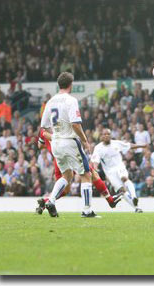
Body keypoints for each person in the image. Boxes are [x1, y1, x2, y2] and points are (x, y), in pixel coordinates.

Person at [40, 72, 96, 218]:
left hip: (56, 142)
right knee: (86, 174)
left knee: (67, 175)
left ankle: (51, 200)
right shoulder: (71, 100)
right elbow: (75, 124)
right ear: (71, 85)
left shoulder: (50, 102)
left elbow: (44, 128)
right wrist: (84, 140)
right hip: (69, 141)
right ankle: (87, 210)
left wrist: (53, 137)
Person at [35, 128, 121, 215]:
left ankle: (46, 201)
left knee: (65, 189)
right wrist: (84, 140)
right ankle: (107, 201)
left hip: (58, 159)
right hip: (70, 152)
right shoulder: (58, 126)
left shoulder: (43, 130)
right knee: (90, 174)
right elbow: (70, 129)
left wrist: (50, 145)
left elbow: (40, 145)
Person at [91, 128, 147, 213]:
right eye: (104, 134)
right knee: (122, 190)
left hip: (119, 166)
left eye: (108, 134)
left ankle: (134, 196)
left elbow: (129, 145)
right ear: (101, 136)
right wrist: (95, 169)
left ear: (111, 136)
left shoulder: (116, 143)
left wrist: (141, 146)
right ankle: (136, 207)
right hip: (110, 172)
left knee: (124, 178)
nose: (106, 136)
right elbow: (95, 161)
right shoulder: (98, 148)